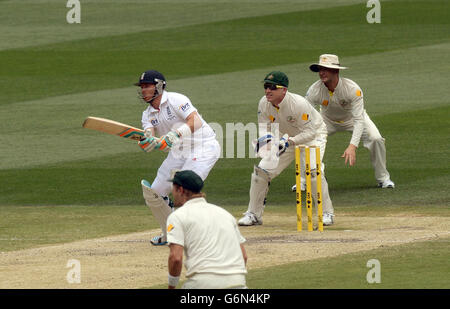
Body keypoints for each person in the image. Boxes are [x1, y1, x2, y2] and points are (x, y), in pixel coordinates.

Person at [238, 71, 335, 227]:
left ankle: (326, 213)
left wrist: (289, 142)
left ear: (284, 89)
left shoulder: (298, 103)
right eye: (266, 87)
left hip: (313, 135)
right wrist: (267, 142)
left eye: (272, 87)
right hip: (284, 137)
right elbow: (265, 128)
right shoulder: (263, 103)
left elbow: (310, 132)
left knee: (312, 171)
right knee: (261, 171)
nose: (267, 91)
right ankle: (254, 214)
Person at [136, 70, 221, 246]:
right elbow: (150, 135)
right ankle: (171, 233)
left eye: (147, 86)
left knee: (186, 190)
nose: (144, 90)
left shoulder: (176, 99)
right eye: (142, 87)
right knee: (155, 192)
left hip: (203, 146)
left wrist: (174, 135)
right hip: (178, 152)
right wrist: (147, 142)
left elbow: (195, 121)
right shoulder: (147, 114)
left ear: (159, 86)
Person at [292, 54, 394, 191]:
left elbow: (359, 120)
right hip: (326, 120)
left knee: (376, 139)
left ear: (336, 71)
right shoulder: (314, 90)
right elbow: (306, 115)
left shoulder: (352, 89)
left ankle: (383, 179)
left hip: (352, 119)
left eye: (325, 69)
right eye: (320, 69)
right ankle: (306, 180)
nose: (321, 73)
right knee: (305, 141)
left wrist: (352, 146)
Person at [166, 170, 248, 289]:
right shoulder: (226, 214)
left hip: (202, 283)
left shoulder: (178, 216)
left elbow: (176, 258)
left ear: (181, 190)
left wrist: (171, 287)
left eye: (173, 189)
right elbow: (243, 256)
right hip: (238, 282)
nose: (172, 193)